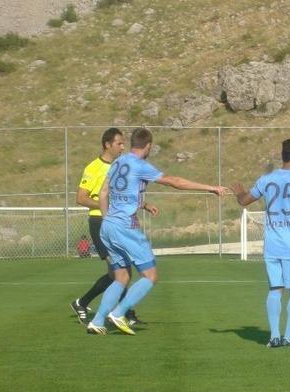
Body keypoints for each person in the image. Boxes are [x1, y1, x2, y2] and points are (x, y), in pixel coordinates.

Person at [86, 128, 228, 335]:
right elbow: (175, 182)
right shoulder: (139, 165)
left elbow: (103, 192)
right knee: (150, 275)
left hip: (108, 225)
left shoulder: (117, 162)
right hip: (125, 226)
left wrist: (108, 218)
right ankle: (119, 313)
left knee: (121, 277)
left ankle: (97, 321)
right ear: (148, 145)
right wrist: (210, 187)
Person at [231, 137, 290, 348]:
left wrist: (238, 192)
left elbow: (244, 200)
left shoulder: (267, 179)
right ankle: (289, 337)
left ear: (282, 155)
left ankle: (274, 336)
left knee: (275, 289)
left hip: (272, 245)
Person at [69, 128, 145, 326]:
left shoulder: (121, 166)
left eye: (123, 143)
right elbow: (81, 198)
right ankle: (126, 313)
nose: (122, 147)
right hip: (99, 223)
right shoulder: (93, 168)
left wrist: (143, 204)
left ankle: (82, 303)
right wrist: (105, 207)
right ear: (107, 145)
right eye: (119, 143)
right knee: (119, 270)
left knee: (118, 272)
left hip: (116, 224)